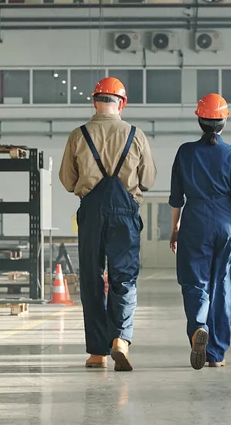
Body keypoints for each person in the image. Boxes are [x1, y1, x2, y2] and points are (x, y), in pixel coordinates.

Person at [58, 76, 157, 371]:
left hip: (91, 213)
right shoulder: (136, 135)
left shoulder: (78, 135)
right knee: (123, 279)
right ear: (122, 103)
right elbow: (149, 179)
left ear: (94, 101)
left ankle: (97, 353)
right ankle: (121, 340)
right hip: (125, 215)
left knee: (91, 279)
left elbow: (67, 180)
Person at [168, 93, 231, 371]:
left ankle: (197, 328)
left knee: (195, 281)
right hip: (227, 223)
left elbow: (176, 196)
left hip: (195, 219)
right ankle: (216, 353)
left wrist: (175, 228)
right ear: (224, 121)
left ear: (199, 119)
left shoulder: (185, 152)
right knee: (225, 286)